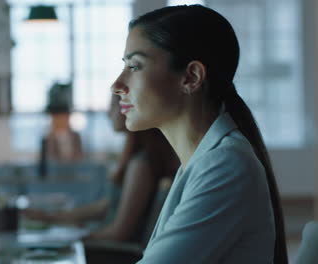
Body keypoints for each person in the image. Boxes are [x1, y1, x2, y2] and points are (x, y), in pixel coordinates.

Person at [111, 4, 287, 263]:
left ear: (191, 77)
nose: (117, 85)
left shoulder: (226, 165)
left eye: (135, 66)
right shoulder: (202, 161)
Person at [24, 94, 179, 244]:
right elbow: (104, 206)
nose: (107, 113)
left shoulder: (141, 165)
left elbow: (119, 233)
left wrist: (70, 240)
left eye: (113, 106)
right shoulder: (135, 159)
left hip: (113, 254)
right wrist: (50, 217)